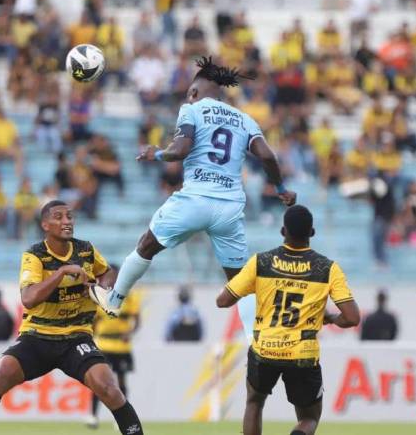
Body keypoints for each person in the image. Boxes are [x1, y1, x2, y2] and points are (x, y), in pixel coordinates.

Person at [90, 57, 296, 343]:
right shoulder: (245, 119)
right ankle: (255, 341)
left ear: (195, 92)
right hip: (229, 207)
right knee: (238, 279)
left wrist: (156, 154)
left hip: (195, 199)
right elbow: (267, 156)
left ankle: (114, 299)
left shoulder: (192, 108)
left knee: (146, 245)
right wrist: (280, 187)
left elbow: (180, 149)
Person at [0, 201, 144, 435]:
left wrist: (103, 289)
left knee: (109, 389)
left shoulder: (86, 250)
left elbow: (106, 272)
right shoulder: (34, 255)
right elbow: (28, 298)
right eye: (59, 217)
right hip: (37, 336)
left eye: (69, 216)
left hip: (76, 337)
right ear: (45, 225)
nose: (67, 221)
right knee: (0, 377)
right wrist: (61, 272)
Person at [215, 205, 360, 435]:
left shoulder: (261, 262)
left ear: (283, 231)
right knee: (309, 417)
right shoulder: (327, 269)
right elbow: (352, 318)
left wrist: (256, 288)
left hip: (265, 350)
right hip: (302, 355)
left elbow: (222, 301)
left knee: (254, 402)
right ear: (312, 233)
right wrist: (330, 318)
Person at [87, 281, 142, 429]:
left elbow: (137, 320)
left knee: (122, 382)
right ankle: (93, 416)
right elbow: (93, 321)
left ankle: (122, 420)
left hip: (121, 346)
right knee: (99, 381)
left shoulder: (130, 297)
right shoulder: (100, 296)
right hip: (103, 344)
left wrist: (129, 333)